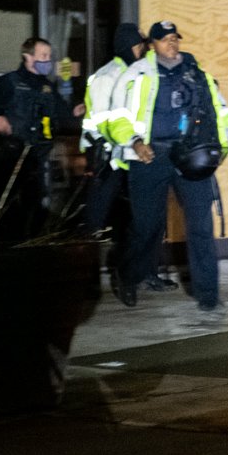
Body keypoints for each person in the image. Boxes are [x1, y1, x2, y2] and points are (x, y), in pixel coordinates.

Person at [106, 21, 228, 317]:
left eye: (174, 38)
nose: (171, 43)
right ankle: (127, 275)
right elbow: (118, 117)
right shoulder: (136, 74)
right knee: (147, 226)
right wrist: (135, 142)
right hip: (150, 157)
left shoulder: (197, 74)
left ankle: (208, 293)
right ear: (152, 44)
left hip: (190, 157)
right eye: (164, 39)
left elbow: (220, 113)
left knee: (202, 225)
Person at [0, 36, 83, 243]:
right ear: (28, 57)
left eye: (49, 56)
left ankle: (23, 246)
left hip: (35, 160)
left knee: (31, 205)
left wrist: (77, 113)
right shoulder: (11, 83)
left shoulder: (48, 88)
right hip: (8, 157)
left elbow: (63, 115)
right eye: (43, 56)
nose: (47, 61)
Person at [81, 23, 148, 283]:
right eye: (137, 45)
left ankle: (138, 271)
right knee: (96, 218)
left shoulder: (134, 73)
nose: (141, 49)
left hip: (126, 157)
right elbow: (100, 120)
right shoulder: (107, 76)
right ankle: (85, 272)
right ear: (127, 46)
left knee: (132, 217)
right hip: (107, 157)